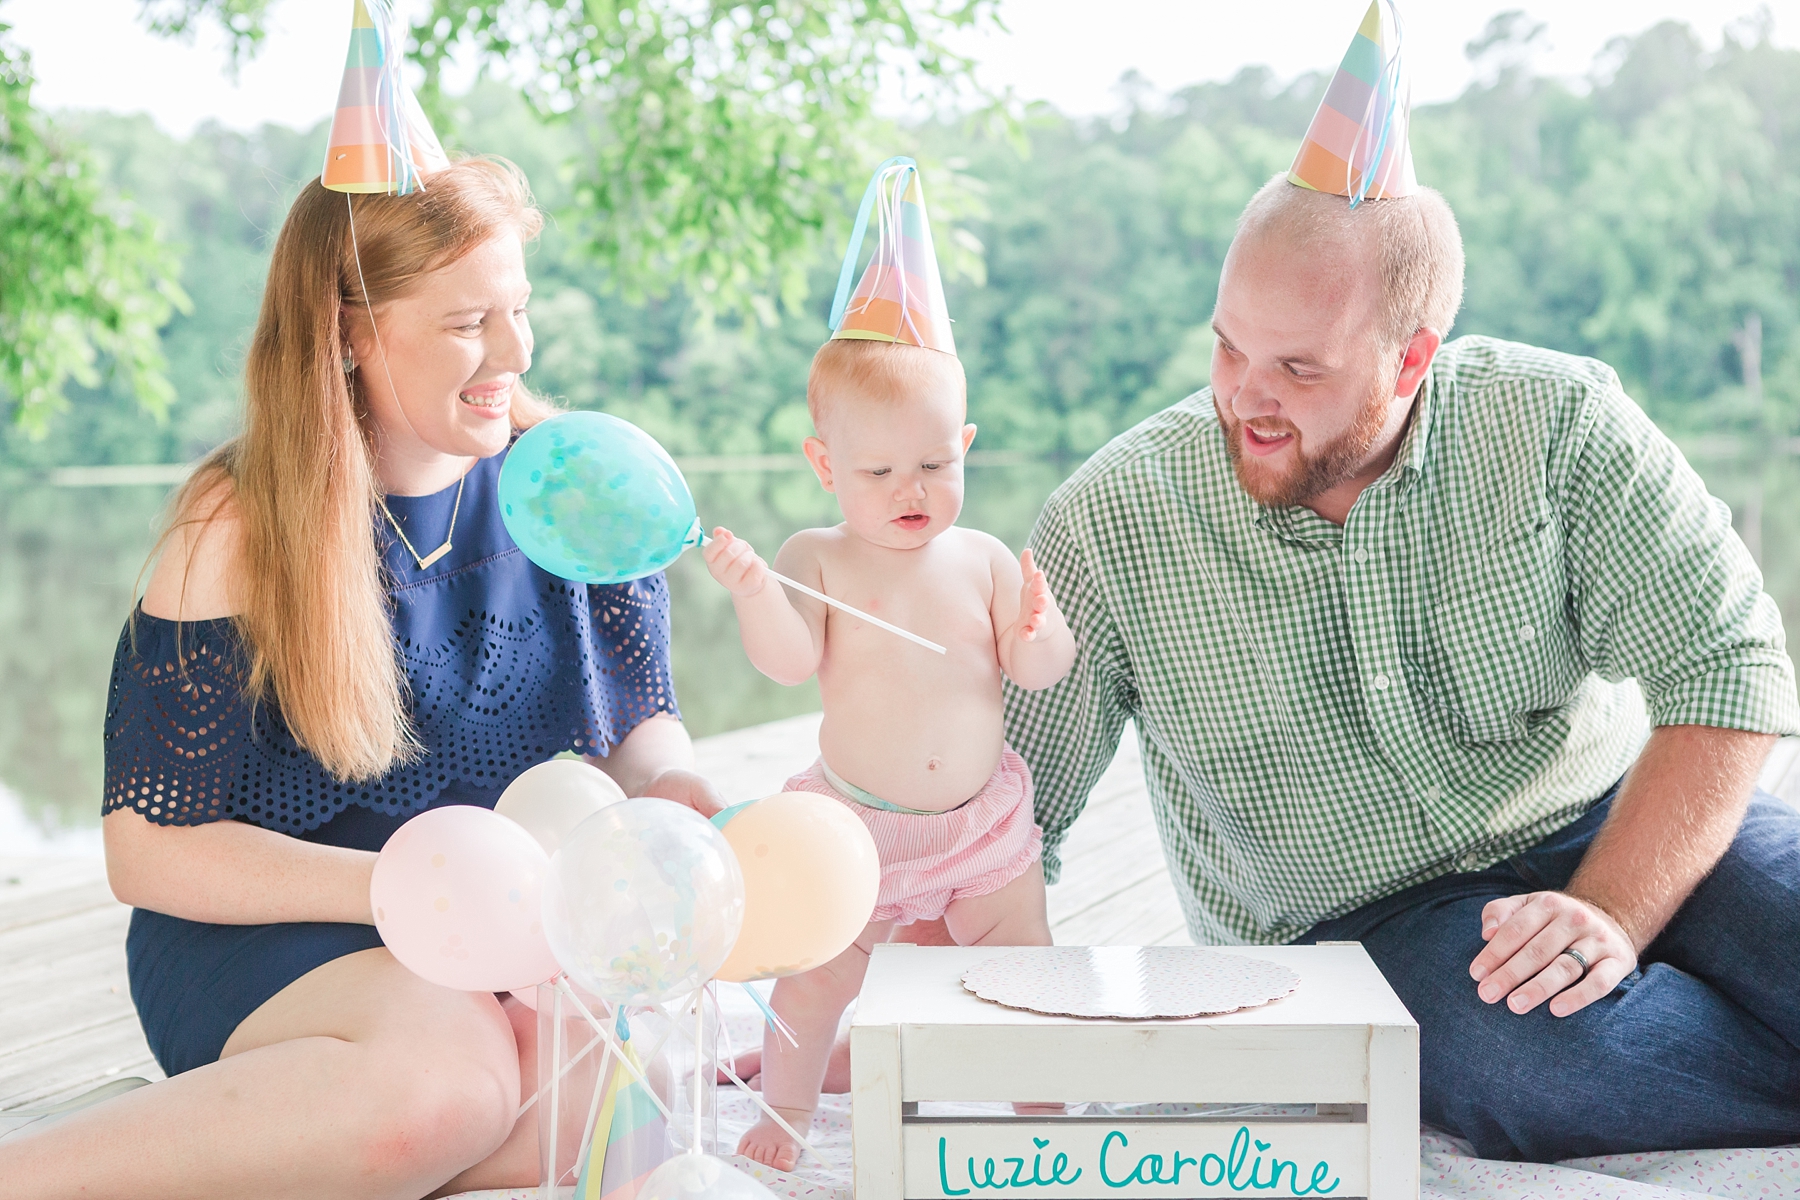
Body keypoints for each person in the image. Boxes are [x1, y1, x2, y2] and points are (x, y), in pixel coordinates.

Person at [1005, 7, 1800, 1164]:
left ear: (1412, 355)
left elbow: (1730, 662)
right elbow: (1016, 809)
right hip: (1360, 920)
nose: (1244, 395)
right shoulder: (1111, 519)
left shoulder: (1557, 419)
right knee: (1527, 1060)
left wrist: (1615, 913)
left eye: (1297, 367)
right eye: (1228, 345)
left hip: (1607, 815)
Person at [0, 155, 722, 1199]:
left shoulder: (570, 485)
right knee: (454, 1093)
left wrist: (675, 793)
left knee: (615, 1111)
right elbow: (149, 854)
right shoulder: (236, 528)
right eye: (470, 322)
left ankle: (306, 1150)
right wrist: (412, 889)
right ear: (349, 328)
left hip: (501, 930)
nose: (513, 352)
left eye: (518, 309)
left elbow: (635, 721)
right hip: (275, 933)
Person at [701, 159, 1077, 1171]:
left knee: (1021, 967)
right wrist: (753, 593)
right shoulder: (815, 559)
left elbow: (1036, 672)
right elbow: (787, 665)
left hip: (979, 823)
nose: (910, 490)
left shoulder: (983, 560)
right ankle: (783, 1115)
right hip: (856, 821)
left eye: (934, 465)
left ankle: (1045, 1116)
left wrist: (1041, 632)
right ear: (827, 466)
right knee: (815, 974)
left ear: (964, 445)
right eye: (877, 471)